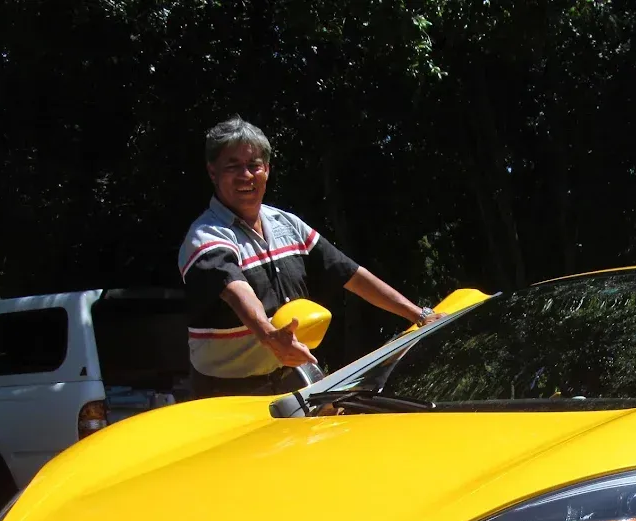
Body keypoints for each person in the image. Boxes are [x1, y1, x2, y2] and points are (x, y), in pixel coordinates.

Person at [177, 116, 441, 398]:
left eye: (254, 165)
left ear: (267, 169)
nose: (246, 175)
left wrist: (419, 314)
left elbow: (350, 273)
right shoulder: (205, 236)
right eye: (233, 166)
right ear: (213, 172)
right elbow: (237, 292)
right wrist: (269, 335)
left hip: (293, 375)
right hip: (226, 392)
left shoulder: (287, 224)